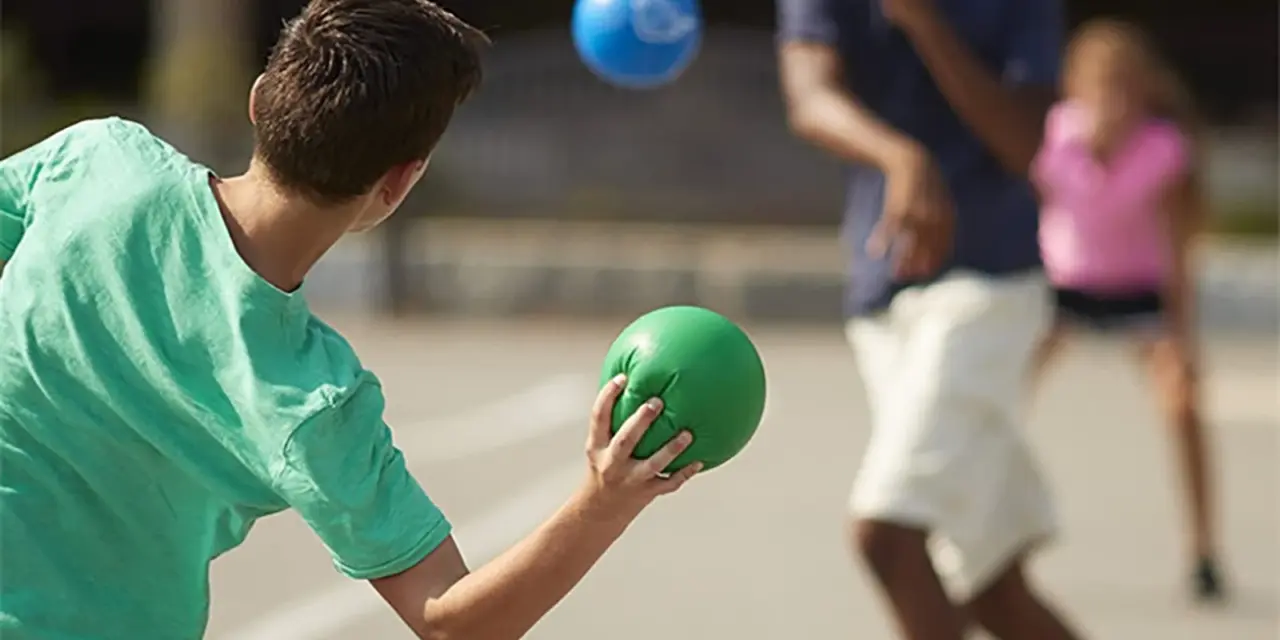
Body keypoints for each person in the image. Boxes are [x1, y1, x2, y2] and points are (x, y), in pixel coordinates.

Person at [0, 1, 703, 638]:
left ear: (258, 101)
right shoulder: (316, 403)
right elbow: (451, 619)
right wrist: (604, 501)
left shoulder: (93, 163)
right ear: (399, 183)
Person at [775, 0, 1086, 638]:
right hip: (882, 296)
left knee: (886, 534)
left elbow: (1025, 143)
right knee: (995, 587)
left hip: (988, 288)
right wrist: (900, 157)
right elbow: (809, 97)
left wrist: (923, 21)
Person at [1031, 19, 1225, 602]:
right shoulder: (1056, 135)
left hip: (1140, 292)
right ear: (1074, 88)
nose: (1110, 99)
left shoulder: (1163, 150)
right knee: (992, 397)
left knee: (1183, 406)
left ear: (1143, 90)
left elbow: (1181, 247)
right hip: (1065, 289)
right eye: (1098, 84)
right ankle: (972, 529)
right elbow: (1034, 209)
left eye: (1122, 84)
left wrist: (1184, 339)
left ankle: (1204, 548)